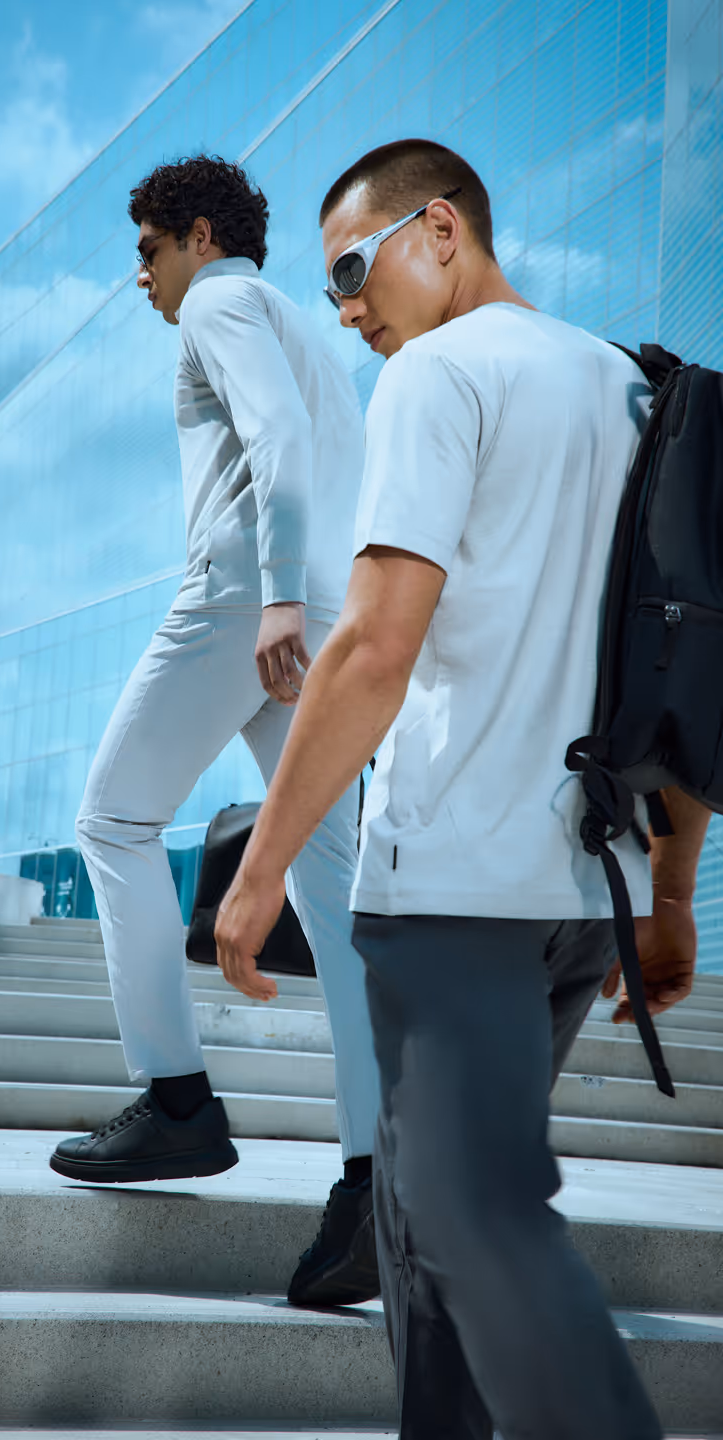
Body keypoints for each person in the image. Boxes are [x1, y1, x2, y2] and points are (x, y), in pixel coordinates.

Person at [214, 138, 710, 1438]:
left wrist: (261, 871)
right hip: (574, 896)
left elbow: (375, 646)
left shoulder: (439, 374)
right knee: (423, 1240)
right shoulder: (639, 392)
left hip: (450, 890)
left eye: (352, 268)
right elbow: (690, 667)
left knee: (472, 1215)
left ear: (438, 232)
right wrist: (670, 895)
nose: (345, 308)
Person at [49, 155, 383, 1307]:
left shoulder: (224, 300)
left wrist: (276, 594)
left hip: (250, 599)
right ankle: (375, 1181)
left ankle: (177, 1101)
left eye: (148, 249)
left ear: (198, 236)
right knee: (333, 900)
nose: (140, 275)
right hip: (315, 610)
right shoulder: (308, 326)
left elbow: (275, 439)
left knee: (112, 819)